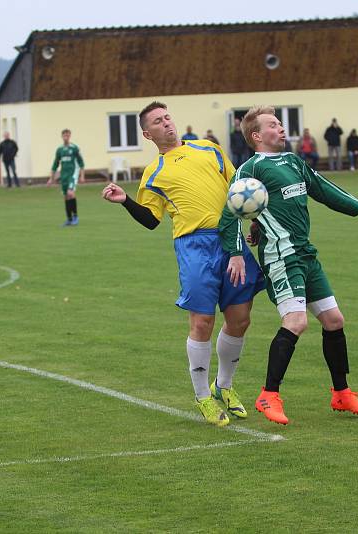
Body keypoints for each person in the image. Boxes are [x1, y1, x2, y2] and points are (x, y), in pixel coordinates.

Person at [101, 101, 265, 427]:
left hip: (230, 238)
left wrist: (255, 220)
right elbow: (151, 220)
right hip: (194, 247)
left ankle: (225, 386)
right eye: (158, 123)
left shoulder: (210, 149)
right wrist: (125, 202)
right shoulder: (154, 172)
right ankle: (203, 395)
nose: (167, 124)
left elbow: (240, 189)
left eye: (167, 117)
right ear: (148, 134)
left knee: (240, 319)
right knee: (202, 322)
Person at [218, 106, 358, 425]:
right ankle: (269, 395)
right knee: (296, 322)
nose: (282, 129)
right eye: (273, 125)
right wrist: (236, 253)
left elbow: (322, 189)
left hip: (305, 253)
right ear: (256, 136)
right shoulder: (250, 170)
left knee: (334, 320)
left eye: (281, 124)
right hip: (281, 255)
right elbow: (229, 216)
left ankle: (342, 393)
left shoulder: (293, 161)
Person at [47, 129, 85, 226]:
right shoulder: (60, 150)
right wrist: (51, 178)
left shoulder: (74, 148)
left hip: (72, 174)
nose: (66, 137)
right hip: (63, 175)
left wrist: (82, 176)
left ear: (70, 136)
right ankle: (69, 219)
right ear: (62, 136)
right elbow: (55, 164)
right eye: (64, 135)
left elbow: (81, 163)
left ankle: (76, 217)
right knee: (66, 196)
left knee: (70, 193)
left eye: (67, 135)